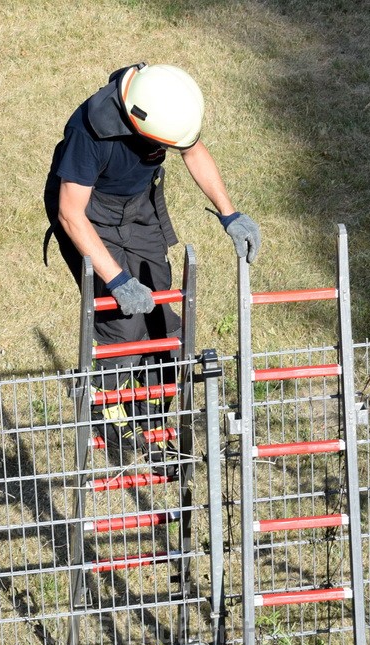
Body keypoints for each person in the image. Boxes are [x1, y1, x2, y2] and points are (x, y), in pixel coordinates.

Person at [43, 62, 261, 464]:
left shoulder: (162, 100)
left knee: (164, 322)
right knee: (123, 327)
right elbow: (70, 214)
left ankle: (152, 421)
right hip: (91, 216)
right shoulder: (89, 130)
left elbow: (193, 151)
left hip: (139, 209)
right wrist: (118, 278)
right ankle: (105, 406)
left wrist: (230, 214)